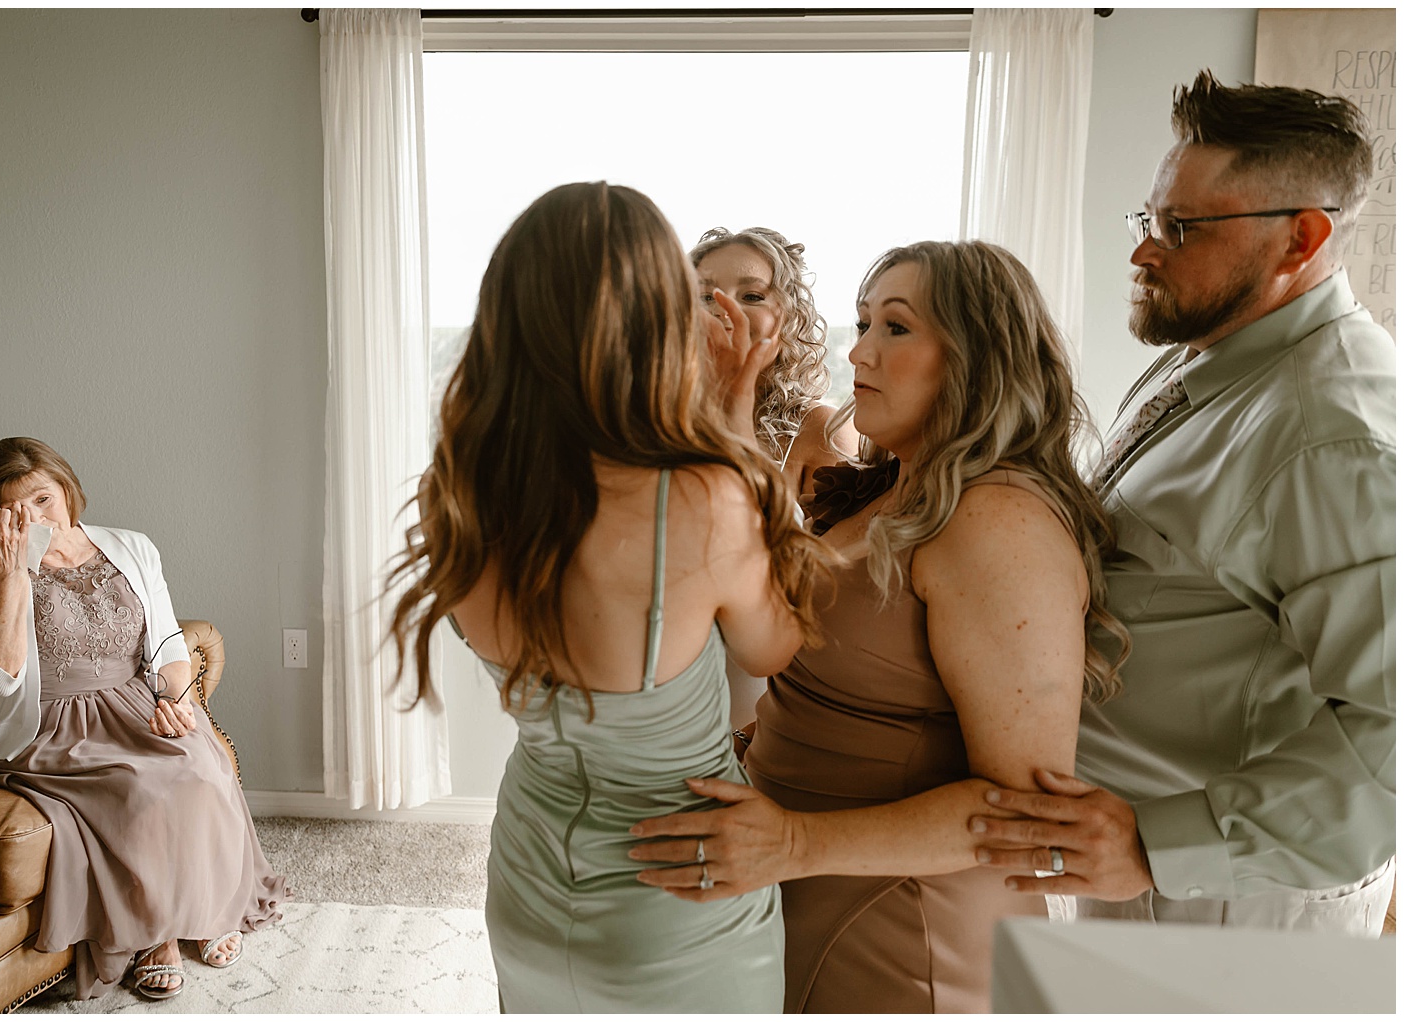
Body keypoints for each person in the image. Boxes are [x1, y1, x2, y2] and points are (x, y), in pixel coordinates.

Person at [633, 240, 1124, 1012]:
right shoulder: (892, 488)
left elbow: (1024, 811)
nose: (858, 350)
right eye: (862, 322)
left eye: (894, 327)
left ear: (977, 356)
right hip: (799, 881)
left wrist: (792, 842)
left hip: (902, 923)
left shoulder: (999, 521)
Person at [386, 181, 834, 1012]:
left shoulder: (453, 485)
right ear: (656, 316)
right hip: (674, 896)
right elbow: (771, 650)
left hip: (527, 872)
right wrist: (733, 414)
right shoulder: (704, 498)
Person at [971, 71, 1394, 934]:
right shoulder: (1217, 355)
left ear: (1298, 239)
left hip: (1228, 926)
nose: (1142, 249)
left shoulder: (1331, 435)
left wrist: (1158, 846)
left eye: (1179, 228)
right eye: (1147, 218)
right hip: (1141, 899)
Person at [0, 437, 287, 1001]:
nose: (34, 517)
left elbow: (168, 643)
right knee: (141, 789)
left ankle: (207, 910)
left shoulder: (130, 547)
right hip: (48, 724)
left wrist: (178, 702)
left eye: (43, 499)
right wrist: (12, 577)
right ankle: (157, 935)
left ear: (67, 489)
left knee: (201, 767)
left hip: (134, 701)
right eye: (15, 509)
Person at [691, 226, 860, 727]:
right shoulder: (648, 428)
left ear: (786, 317)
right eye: (705, 293)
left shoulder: (819, 431)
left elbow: (832, 601)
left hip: (766, 706)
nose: (725, 305)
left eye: (751, 294)